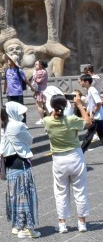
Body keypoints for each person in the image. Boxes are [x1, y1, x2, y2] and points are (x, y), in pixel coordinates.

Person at [43, 93, 91, 232]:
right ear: (65, 106)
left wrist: (54, 106)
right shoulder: (71, 119)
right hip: (75, 156)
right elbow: (88, 122)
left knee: (60, 191)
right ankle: (81, 222)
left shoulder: (47, 121)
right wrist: (80, 106)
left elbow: (52, 114)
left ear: (52, 106)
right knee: (80, 190)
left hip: (58, 159)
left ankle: (62, 223)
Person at [0, 103, 39, 238]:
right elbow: (29, 141)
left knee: (14, 195)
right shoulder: (18, 126)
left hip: (9, 165)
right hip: (21, 163)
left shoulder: (4, 125)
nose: (22, 115)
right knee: (25, 195)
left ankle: (17, 225)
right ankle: (26, 229)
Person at [78, 73, 103, 152]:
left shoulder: (92, 90)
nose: (80, 83)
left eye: (82, 81)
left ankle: (80, 154)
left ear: (87, 82)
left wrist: (92, 114)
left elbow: (98, 103)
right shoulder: (89, 90)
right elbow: (91, 104)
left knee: (88, 137)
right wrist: (86, 113)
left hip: (96, 117)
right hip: (98, 117)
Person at [29, 60, 49, 125]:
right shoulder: (43, 71)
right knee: (41, 105)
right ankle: (47, 118)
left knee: (40, 105)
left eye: (36, 64)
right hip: (41, 90)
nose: (35, 65)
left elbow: (36, 80)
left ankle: (42, 119)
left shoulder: (41, 72)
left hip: (41, 90)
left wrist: (34, 74)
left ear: (41, 65)